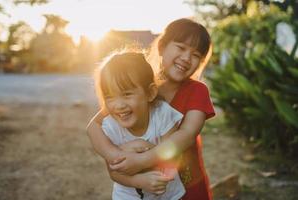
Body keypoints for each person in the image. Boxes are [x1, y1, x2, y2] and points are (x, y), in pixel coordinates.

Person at [87, 18, 215, 200]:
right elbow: (93, 127)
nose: (187, 58)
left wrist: (142, 160)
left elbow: (186, 134)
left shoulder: (197, 91)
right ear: (162, 47)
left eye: (196, 55)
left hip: (189, 181)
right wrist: (117, 157)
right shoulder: (140, 85)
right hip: (146, 184)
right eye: (181, 47)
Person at [92, 50, 186, 200]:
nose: (118, 105)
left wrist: (145, 147)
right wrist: (138, 181)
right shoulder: (110, 126)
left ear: (150, 93)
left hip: (168, 195)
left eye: (126, 94)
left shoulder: (162, 114)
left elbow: (174, 155)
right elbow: (113, 172)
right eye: (109, 97)